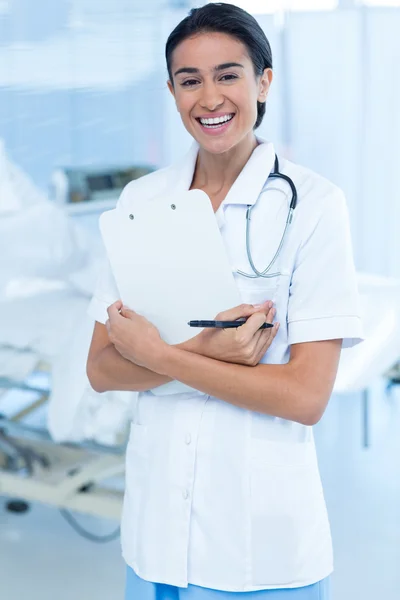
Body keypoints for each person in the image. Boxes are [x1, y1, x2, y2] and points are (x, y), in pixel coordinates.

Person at [86, 3, 364, 599]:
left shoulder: (314, 204)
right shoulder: (142, 199)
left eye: (228, 74)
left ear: (264, 80)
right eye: (190, 80)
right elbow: (102, 370)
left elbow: (305, 396)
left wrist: (161, 357)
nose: (209, 98)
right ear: (171, 91)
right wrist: (213, 352)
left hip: (258, 552)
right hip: (155, 541)